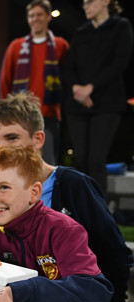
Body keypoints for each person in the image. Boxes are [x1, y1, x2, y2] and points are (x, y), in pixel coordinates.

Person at [0, 92, 133, 302]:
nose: (2, 147)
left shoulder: (74, 185)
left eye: (12, 137)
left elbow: (115, 253)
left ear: (38, 139)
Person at [0, 145, 114, 302]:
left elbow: (96, 290)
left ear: (34, 192)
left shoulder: (63, 229)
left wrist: (17, 292)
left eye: (4, 187)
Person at [64, 0, 133, 197]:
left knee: (96, 161)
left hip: (107, 104)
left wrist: (90, 88)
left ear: (105, 1)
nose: (85, 6)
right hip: (78, 104)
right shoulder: (81, 32)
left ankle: (98, 212)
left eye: (89, 2)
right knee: (81, 160)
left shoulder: (121, 27)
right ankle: (80, 210)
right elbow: (69, 66)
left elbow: (119, 63)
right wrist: (77, 88)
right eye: (83, 3)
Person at [0, 0, 69, 164]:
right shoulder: (16, 46)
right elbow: (5, 81)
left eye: (39, 15)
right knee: (20, 161)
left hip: (49, 114)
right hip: (20, 115)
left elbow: (68, 78)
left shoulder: (60, 45)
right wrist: (6, 112)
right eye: (31, 15)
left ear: (48, 17)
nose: (35, 19)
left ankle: (47, 191)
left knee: (47, 162)